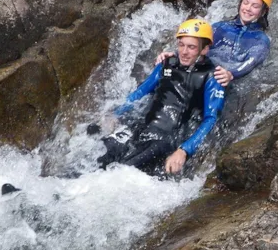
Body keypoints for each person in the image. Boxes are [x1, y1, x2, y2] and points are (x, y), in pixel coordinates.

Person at [97, 18, 226, 175]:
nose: (184, 52)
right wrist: (116, 114)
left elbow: (211, 119)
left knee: (117, 172)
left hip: (165, 140)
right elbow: (139, 93)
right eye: (181, 45)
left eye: (191, 47)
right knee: (97, 153)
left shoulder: (213, 77)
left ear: (205, 49)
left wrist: (184, 150)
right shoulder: (167, 63)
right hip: (140, 128)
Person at [155, 0, 273, 87]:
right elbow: (197, 44)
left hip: (228, 81)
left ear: (263, 12)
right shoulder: (219, 27)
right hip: (203, 71)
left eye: (255, 6)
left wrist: (231, 74)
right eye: (245, 3)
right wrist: (175, 54)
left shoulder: (261, 40)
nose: (248, 8)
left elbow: (251, 63)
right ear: (240, 4)